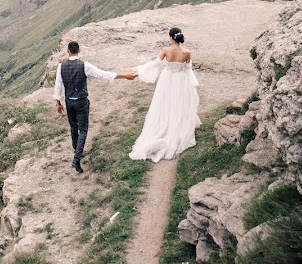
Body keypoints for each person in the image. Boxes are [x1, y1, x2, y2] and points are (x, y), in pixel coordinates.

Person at [54, 40, 137, 173]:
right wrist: (125, 76)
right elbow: (103, 74)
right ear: (79, 50)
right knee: (83, 130)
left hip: (69, 101)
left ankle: (77, 150)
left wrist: (58, 102)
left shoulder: (60, 67)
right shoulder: (84, 65)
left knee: (73, 127)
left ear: (68, 51)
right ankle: (76, 158)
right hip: (81, 101)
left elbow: (58, 85)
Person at [129, 27, 201, 162]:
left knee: (163, 103)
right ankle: (177, 129)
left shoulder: (166, 50)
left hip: (167, 79)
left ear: (171, 38)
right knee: (179, 103)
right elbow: (188, 68)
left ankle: (164, 127)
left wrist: (140, 71)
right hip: (181, 80)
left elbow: (155, 64)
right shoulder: (187, 52)